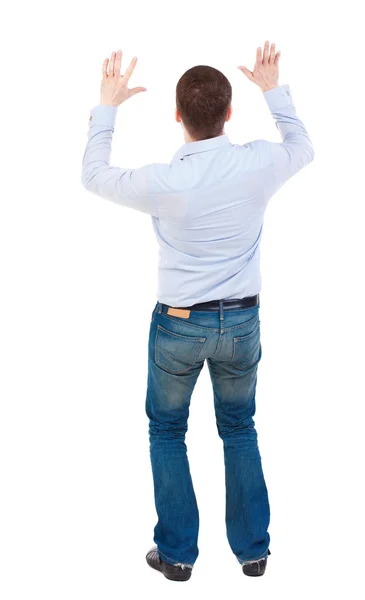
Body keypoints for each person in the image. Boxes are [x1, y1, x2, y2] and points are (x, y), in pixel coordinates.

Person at [81, 40, 314, 582]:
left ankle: (178, 556)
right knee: (239, 427)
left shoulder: (164, 180)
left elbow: (93, 175)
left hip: (178, 327)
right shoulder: (260, 163)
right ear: (230, 113)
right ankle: (252, 552)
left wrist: (107, 107)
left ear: (178, 117)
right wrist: (274, 90)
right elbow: (302, 147)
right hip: (241, 324)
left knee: (166, 431)